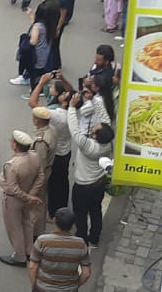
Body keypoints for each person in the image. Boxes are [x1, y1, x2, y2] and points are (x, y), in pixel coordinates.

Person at [67, 92, 112, 248]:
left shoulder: (89, 147)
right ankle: (94, 238)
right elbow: (104, 117)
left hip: (83, 186)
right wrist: (93, 98)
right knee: (96, 211)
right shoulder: (107, 142)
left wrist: (72, 107)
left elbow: (74, 129)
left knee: (80, 215)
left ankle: (81, 240)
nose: (93, 126)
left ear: (95, 136)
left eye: (95, 128)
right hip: (98, 183)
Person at [0, 130, 46, 267]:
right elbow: (40, 177)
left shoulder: (12, 165)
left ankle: (19, 257)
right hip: (28, 196)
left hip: (13, 200)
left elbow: (13, 188)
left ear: (14, 145)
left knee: (15, 228)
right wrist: (31, 195)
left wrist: (27, 197)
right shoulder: (35, 156)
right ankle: (29, 251)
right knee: (27, 224)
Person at [29, 208, 91, 292]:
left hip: (43, 288)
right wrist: (75, 286)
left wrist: (34, 286)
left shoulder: (42, 240)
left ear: (54, 220)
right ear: (73, 224)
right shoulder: (80, 244)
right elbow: (86, 273)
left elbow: (33, 266)